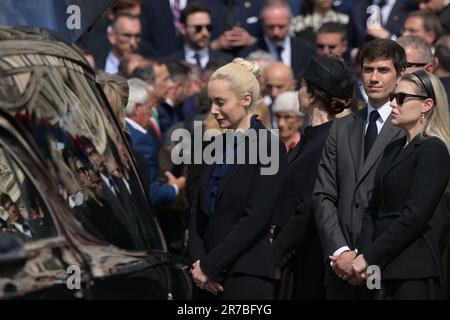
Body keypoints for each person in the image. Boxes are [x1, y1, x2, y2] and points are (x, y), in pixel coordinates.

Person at [313, 38, 406, 300]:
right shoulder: (342, 128)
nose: (374, 78)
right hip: (339, 267)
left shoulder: (407, 129)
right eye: (368, 70)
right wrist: (341, 251)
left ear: (400, 75)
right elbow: (323, 195)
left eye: (383, 70)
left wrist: (368, 257)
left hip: (384, 266)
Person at [188, 58, 287, 300]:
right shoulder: (213, 146)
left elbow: (256, 218)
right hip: (203, 280)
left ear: (245, 100)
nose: (213, 110)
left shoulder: (270, 147)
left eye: (220, 102)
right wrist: (199, 264)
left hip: (245, 277)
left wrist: (210, 265)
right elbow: (197, 212)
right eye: (211, 102)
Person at [353, 70, 450, 300]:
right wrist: (366, 255)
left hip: (411, 269)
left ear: (427, 104)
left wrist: (369, 256)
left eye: (401, 98)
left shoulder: (433, 150)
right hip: (381, 267)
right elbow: (373, 209)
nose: (393, 104)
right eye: (392, 98)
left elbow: (415, 216)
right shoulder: (392, 149)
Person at [273, 55, 355, 300]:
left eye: (301, 86)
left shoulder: (327, 140)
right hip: (297, 255)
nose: (298, 92)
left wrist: (276, 253)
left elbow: (308, 205)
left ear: (311, 95)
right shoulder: (312, 135)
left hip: (310, 259)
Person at [240, 0, 315, 81]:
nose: (276, 32)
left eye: (281, 26)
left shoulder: (307, 51)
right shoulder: (248, 55)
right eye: (270, 27)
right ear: (262, 22)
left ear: (290, 21)